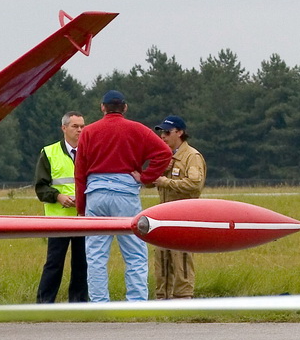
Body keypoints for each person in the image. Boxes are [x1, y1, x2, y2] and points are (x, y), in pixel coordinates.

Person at [74, 90, 172, 302]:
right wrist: (146, 177)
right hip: (125, 194)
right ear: (125, 107)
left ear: (102, 107)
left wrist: (81, 207)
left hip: (96, 194)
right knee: (135, 252)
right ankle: (136, 303)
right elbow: (164, 153)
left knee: (96, 255)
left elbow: (80, 171)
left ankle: (99, 303)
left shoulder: (89, 132)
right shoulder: (137, 129)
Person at [33, 111, 89, 303]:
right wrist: (58, 197)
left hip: (84, 218)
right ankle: (44, 304)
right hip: (59, 218)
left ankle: (79, 303)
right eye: (75, 126)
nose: (79, 130)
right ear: (64, 128)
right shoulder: (49, 153)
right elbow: (40, 187)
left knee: (82, 263)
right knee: (54, 263)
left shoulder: (90, 151)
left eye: (82, 126)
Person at [149, 115, 207, 299]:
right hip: (162, 216)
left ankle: (183, 299)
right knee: (162, 259)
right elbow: (153, 178)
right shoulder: (164, 155)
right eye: (161, 133)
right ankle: (162, 298)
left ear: (180, 133)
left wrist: (166, 182)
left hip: (183, 216)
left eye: (167, 132)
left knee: (180, 258)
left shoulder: (191, 157)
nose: (163, 137)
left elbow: (194, 184)